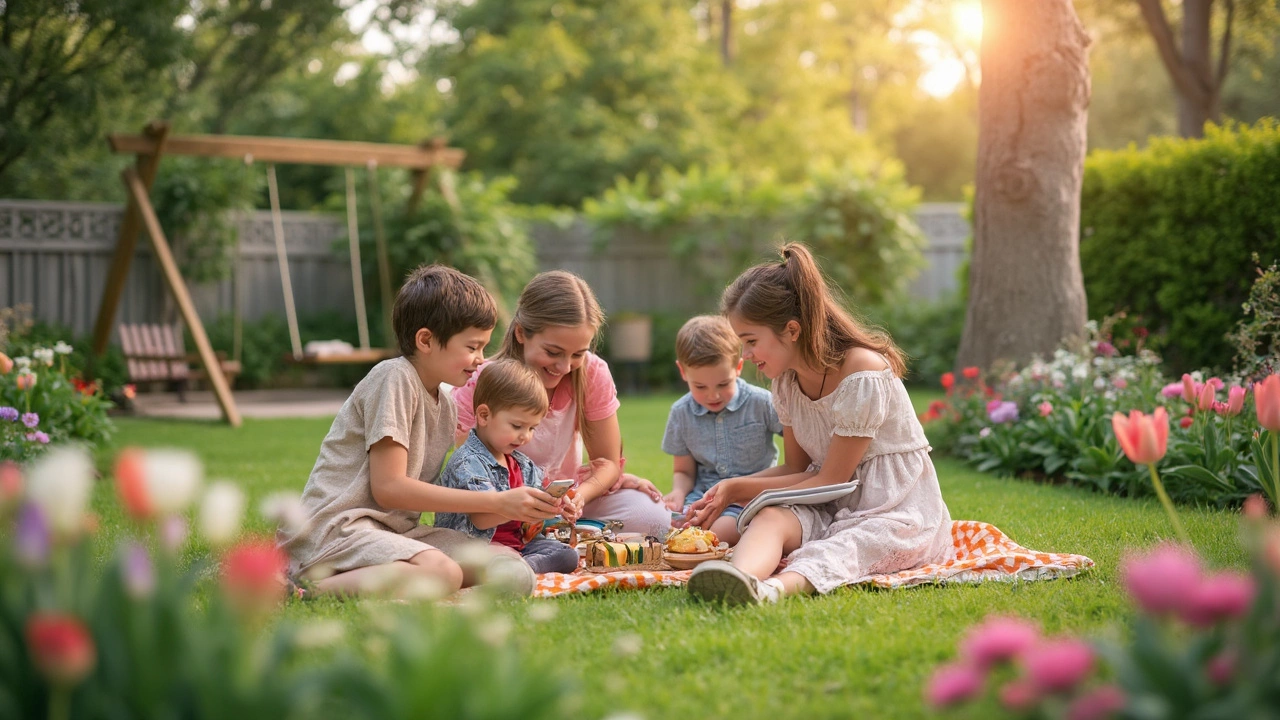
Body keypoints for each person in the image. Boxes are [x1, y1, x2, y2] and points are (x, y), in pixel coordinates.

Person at [685, 244, 952, 605]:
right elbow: (797, 468)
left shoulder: (862, 371)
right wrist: (730, 488)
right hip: (829, 502)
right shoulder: (786, 382)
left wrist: (738, 491)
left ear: (792, 330)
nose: (745, 356)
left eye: (750, 342)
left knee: (846, 545)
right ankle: (739, 580)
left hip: (894, 510)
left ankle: (770, 592)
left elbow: (833, 478)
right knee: (772, 518)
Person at [280, 265, 558, 599]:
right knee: (442, 571)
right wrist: (497, 500)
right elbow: (389, 489)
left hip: (396, 533)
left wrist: (527, 503)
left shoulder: (446, 404)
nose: (480, 359)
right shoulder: (394, 378)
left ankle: (423, 588)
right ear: (426, 340)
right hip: (337, 531)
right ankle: (300, 589)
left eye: (483, 347)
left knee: (507, 562)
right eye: (472, 347)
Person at [453, 271, 671, 536]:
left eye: (578, 353)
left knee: (652, 518)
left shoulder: (591, 372)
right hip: (501, 508)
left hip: (566, 501)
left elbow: (608, 463)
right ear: (521, 333)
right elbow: (468, 470)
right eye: (553, 352)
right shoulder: (481, 382)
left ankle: (557, 531)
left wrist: (579, 496)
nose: (564, 367)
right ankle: (546, 536)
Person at [435, 359, 581, 574]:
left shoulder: (522, 463)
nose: (525, 436)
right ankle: (515, 570)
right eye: (517, 426)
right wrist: (525, 507)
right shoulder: (468, 462)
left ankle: (523, 569)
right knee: (497, 558)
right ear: (484, 415)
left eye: (532, 428)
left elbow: (538, 503)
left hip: (519, 546)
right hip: (476, 545)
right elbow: (482, 519)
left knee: (568, 555)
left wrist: (556, 505)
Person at [661, 315, 782, 546]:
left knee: (718, 531)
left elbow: (800, 445)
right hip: (702, 497)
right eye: (700, 387)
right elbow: (684, 472)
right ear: (683, 372)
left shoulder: (761, 403)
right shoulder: (681, 413)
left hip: (748, 498)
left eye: (722, 384)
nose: (713, 395)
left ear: (738, 367)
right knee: (660, 524)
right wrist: (678, 492)